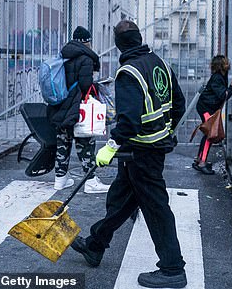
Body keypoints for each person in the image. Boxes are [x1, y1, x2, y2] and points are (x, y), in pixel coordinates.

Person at [70, 20, 188, 289]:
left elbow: (129, 121)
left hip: (141, 151)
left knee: (156, 208)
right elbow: (178, 104)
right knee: (121, 199)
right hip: (149, 149)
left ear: (120, 44)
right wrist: (165, 129)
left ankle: (172, 269)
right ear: (139, 38)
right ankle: (95, 245)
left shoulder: (128, 73)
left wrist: (111, 146)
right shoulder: (160, 64)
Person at [46, 26, 110, 194]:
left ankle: (60, 179)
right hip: (77, 107)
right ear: (87, 41)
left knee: (63, 142)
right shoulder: (86, 59)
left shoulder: (63, 55)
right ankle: (90, 182)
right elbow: (85, 85)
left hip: (60, 106)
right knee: (85, 145)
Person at [193, 55, 232, 174]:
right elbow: (224, 95)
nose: (228, 64)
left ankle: (200, 159)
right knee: (211, 135)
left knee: (209, 134)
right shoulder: (217, 78)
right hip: (206, 108)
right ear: (222, 65)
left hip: (208, 108)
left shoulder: (220, 77)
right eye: (226, 62)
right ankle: (202, 163)